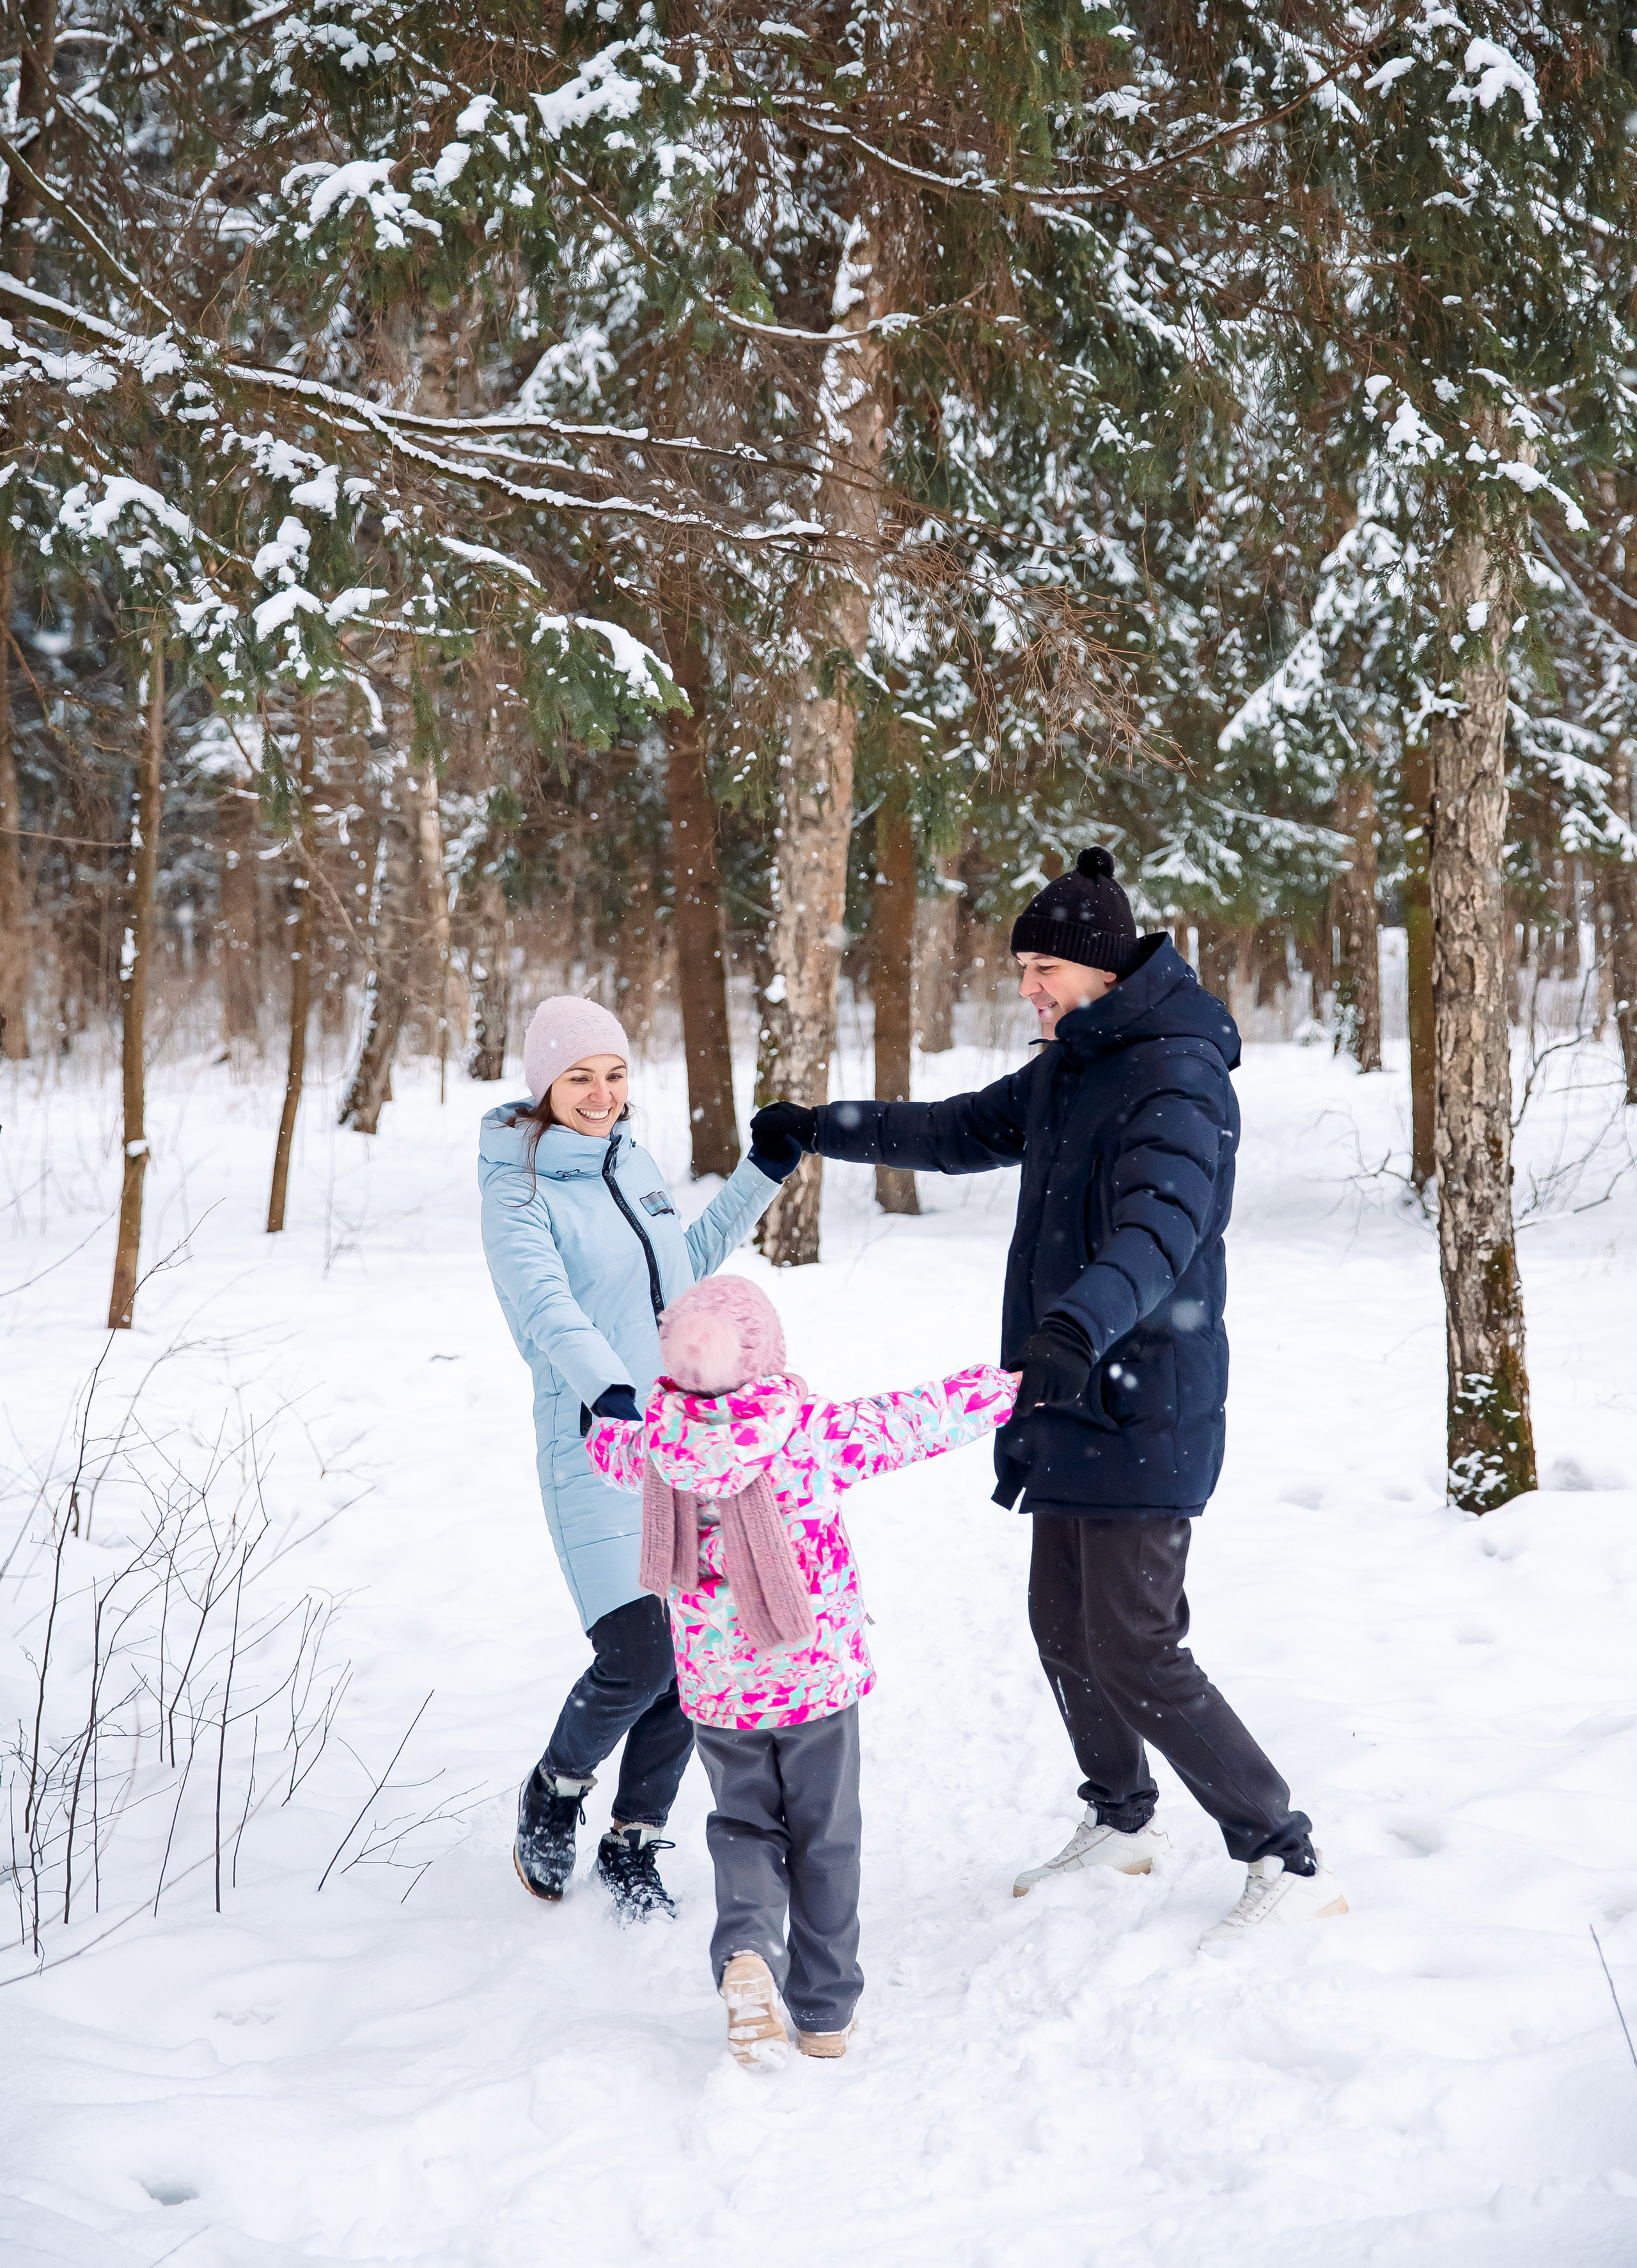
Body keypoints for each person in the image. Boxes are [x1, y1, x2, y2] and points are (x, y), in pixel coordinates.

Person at [750, 848, 1347, 1942]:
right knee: (1062, 1627)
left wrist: (1078, 1321)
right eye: (1023, 965)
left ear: (1103, 970)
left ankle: (1278, 1845)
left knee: (1132, 1641)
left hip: (1141, 1391)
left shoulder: (1175, 1072)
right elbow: (955, 1131)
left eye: (1045, 969)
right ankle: (1121, 1818)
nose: (1029, 986)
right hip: (1068, 1385)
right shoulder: (1075, 1062)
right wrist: (817, 1126)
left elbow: (1159, 1230)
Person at [586, 1270, 1018, 2064]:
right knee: (824, 1837)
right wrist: (1004, 1387)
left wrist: (604, 1418)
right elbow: (913, 1420)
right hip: (813, 1676)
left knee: (745, 1825)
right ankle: (821, 2012)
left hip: (719, 1690)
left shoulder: (655, 1443)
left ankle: (748, 1951)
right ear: (767, 1355)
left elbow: (605, 1445)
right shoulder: (805, 1431)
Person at [479, 996, 800, 1920]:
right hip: (593, 1442)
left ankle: (635, 1837)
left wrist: (761, 1174)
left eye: (614, 1075)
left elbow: (686, 1264)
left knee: (690, 1653)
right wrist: (610, 1393)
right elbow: (546, 1309)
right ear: (544, 1085)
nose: (601, 1095)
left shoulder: (634, 1162)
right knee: (636, 1654)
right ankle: (557, 1788)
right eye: (579, 1078)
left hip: (675, 1442)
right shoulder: (520, 1192)